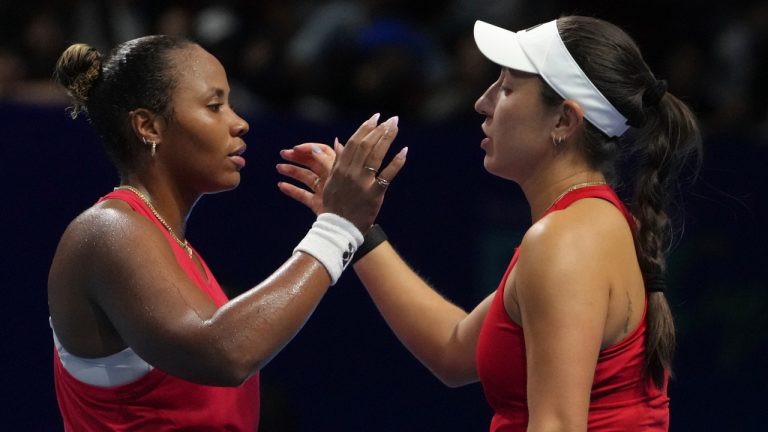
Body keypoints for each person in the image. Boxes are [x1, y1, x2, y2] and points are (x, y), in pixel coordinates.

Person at [278, 15, 701, 431]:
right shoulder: (582, 226)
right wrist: (355, 226)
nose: (483, 102)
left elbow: (556, 424)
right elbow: (453, 349)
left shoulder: (567, 240)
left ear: (564, 121)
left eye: (508, 88)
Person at [48, 35, 405, 431]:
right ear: (148, 126)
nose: (239, 122)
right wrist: (336, 228)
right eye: (214, 105)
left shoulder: (179, 254)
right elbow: (225, 353)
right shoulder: (107, 230)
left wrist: (348, 226)